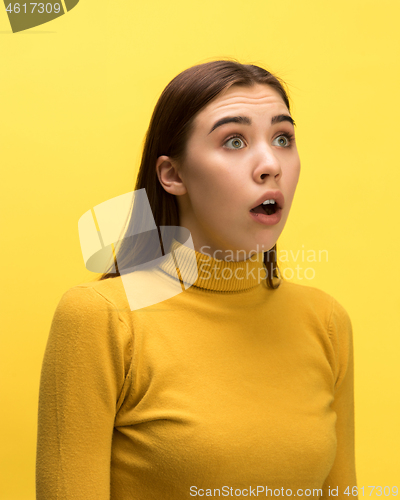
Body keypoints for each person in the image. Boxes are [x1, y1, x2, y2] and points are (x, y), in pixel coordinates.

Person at [36, 59, 358, 499]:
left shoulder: (326, 321)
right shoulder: (103, 318)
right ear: (173, 175)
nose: (270, 165)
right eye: (234, 141)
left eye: (283, 138)